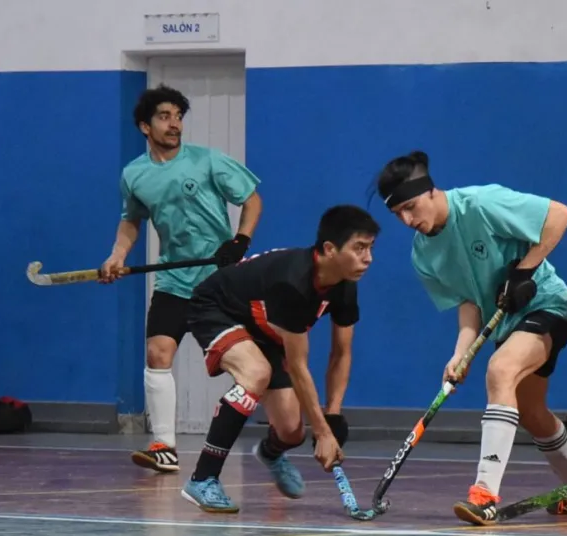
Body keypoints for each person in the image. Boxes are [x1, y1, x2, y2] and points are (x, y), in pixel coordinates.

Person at [376, 150, 567, 526]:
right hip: (507, 323)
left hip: (545, 303)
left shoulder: (481, 204)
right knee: (531, 412)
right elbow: (469, 302)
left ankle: (484, 496)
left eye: (410, 207)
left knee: (500, 370)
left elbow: (560, 215)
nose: (407, 220)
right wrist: (460, 354)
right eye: (397, 214)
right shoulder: (423, 254)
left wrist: (525, 271)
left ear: (431, 190)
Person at [99, 84, 263, 474]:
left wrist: (240, 241)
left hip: (218, 281)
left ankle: (278, 435)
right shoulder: (134, 174)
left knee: (249, 364)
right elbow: (131, 221)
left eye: (178, 116)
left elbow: (252, 199)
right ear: (145, 126)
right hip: (173, 280)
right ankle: (164, 446)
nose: (174, 124)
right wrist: (117, 256)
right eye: (164, 117)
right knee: (158, 354)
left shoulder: (208, 160)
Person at [180, 204, 379, 513]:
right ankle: (203, 478)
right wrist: (323, 433)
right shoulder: (294, 284)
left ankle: (270, 453)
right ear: (330, 249)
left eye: (370, 248)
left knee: (291, 431)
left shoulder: (344, 285)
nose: (368, 258)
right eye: (359, 248)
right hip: (218, 309)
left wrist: (332, 416)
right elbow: (298, 367)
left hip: (267, 329)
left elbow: (341, 353)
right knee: (256, 372)